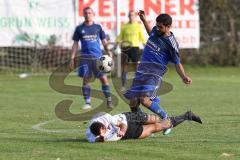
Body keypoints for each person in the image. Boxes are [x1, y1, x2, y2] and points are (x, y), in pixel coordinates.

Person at [123, 11, 192, 135]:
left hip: (154, 73)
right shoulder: (156, 29)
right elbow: (151, 33)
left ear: (168, 27)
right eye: (157, 25)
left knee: (144, 99)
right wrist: (144, 20)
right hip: (142, 70)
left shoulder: (172, 43)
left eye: (161, 27)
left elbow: (177, 62)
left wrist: (184, 76)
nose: (158, 28)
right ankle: (140, 122)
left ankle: (167, 120)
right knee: (133, 101)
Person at [70, 7, 113, 109]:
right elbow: (75, 44)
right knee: (86, 80)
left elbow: (104, 41)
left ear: (93, 14)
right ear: (83, 14)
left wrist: (109, 52)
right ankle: (88, 103)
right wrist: (72, 57)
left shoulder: (98, 27)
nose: (88, 14)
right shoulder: (79, 29)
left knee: (104, 79)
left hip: (98, 58)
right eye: (86, 13)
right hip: (85, 58)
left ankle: (109, 101)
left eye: (90, 13)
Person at [86, 111, 202, 142]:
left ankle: (171, 122)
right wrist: (101, 139)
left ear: (103, 125)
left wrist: (122, 130)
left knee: (156, 119)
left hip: (129, 118)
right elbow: (98, 140)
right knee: (157, 127)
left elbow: (123, 124)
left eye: (105, 129)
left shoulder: (106, 118)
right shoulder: (91, 137)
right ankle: (187, 116)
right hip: (130, 134)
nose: (105, 132)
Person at [116, 10, 146, 91]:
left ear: (135, 16)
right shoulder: (124, 26)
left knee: (136, 67)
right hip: (125, 48)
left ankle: (137, 85)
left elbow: (142, 37)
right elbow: (120, 37)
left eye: (132, 15)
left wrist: (145, 45)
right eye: (129, 15)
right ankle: (123, 86)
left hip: (135, 48)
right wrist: (117, 43)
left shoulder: (138, 26)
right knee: (124, 67)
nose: (131, 17)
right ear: (128, 16)